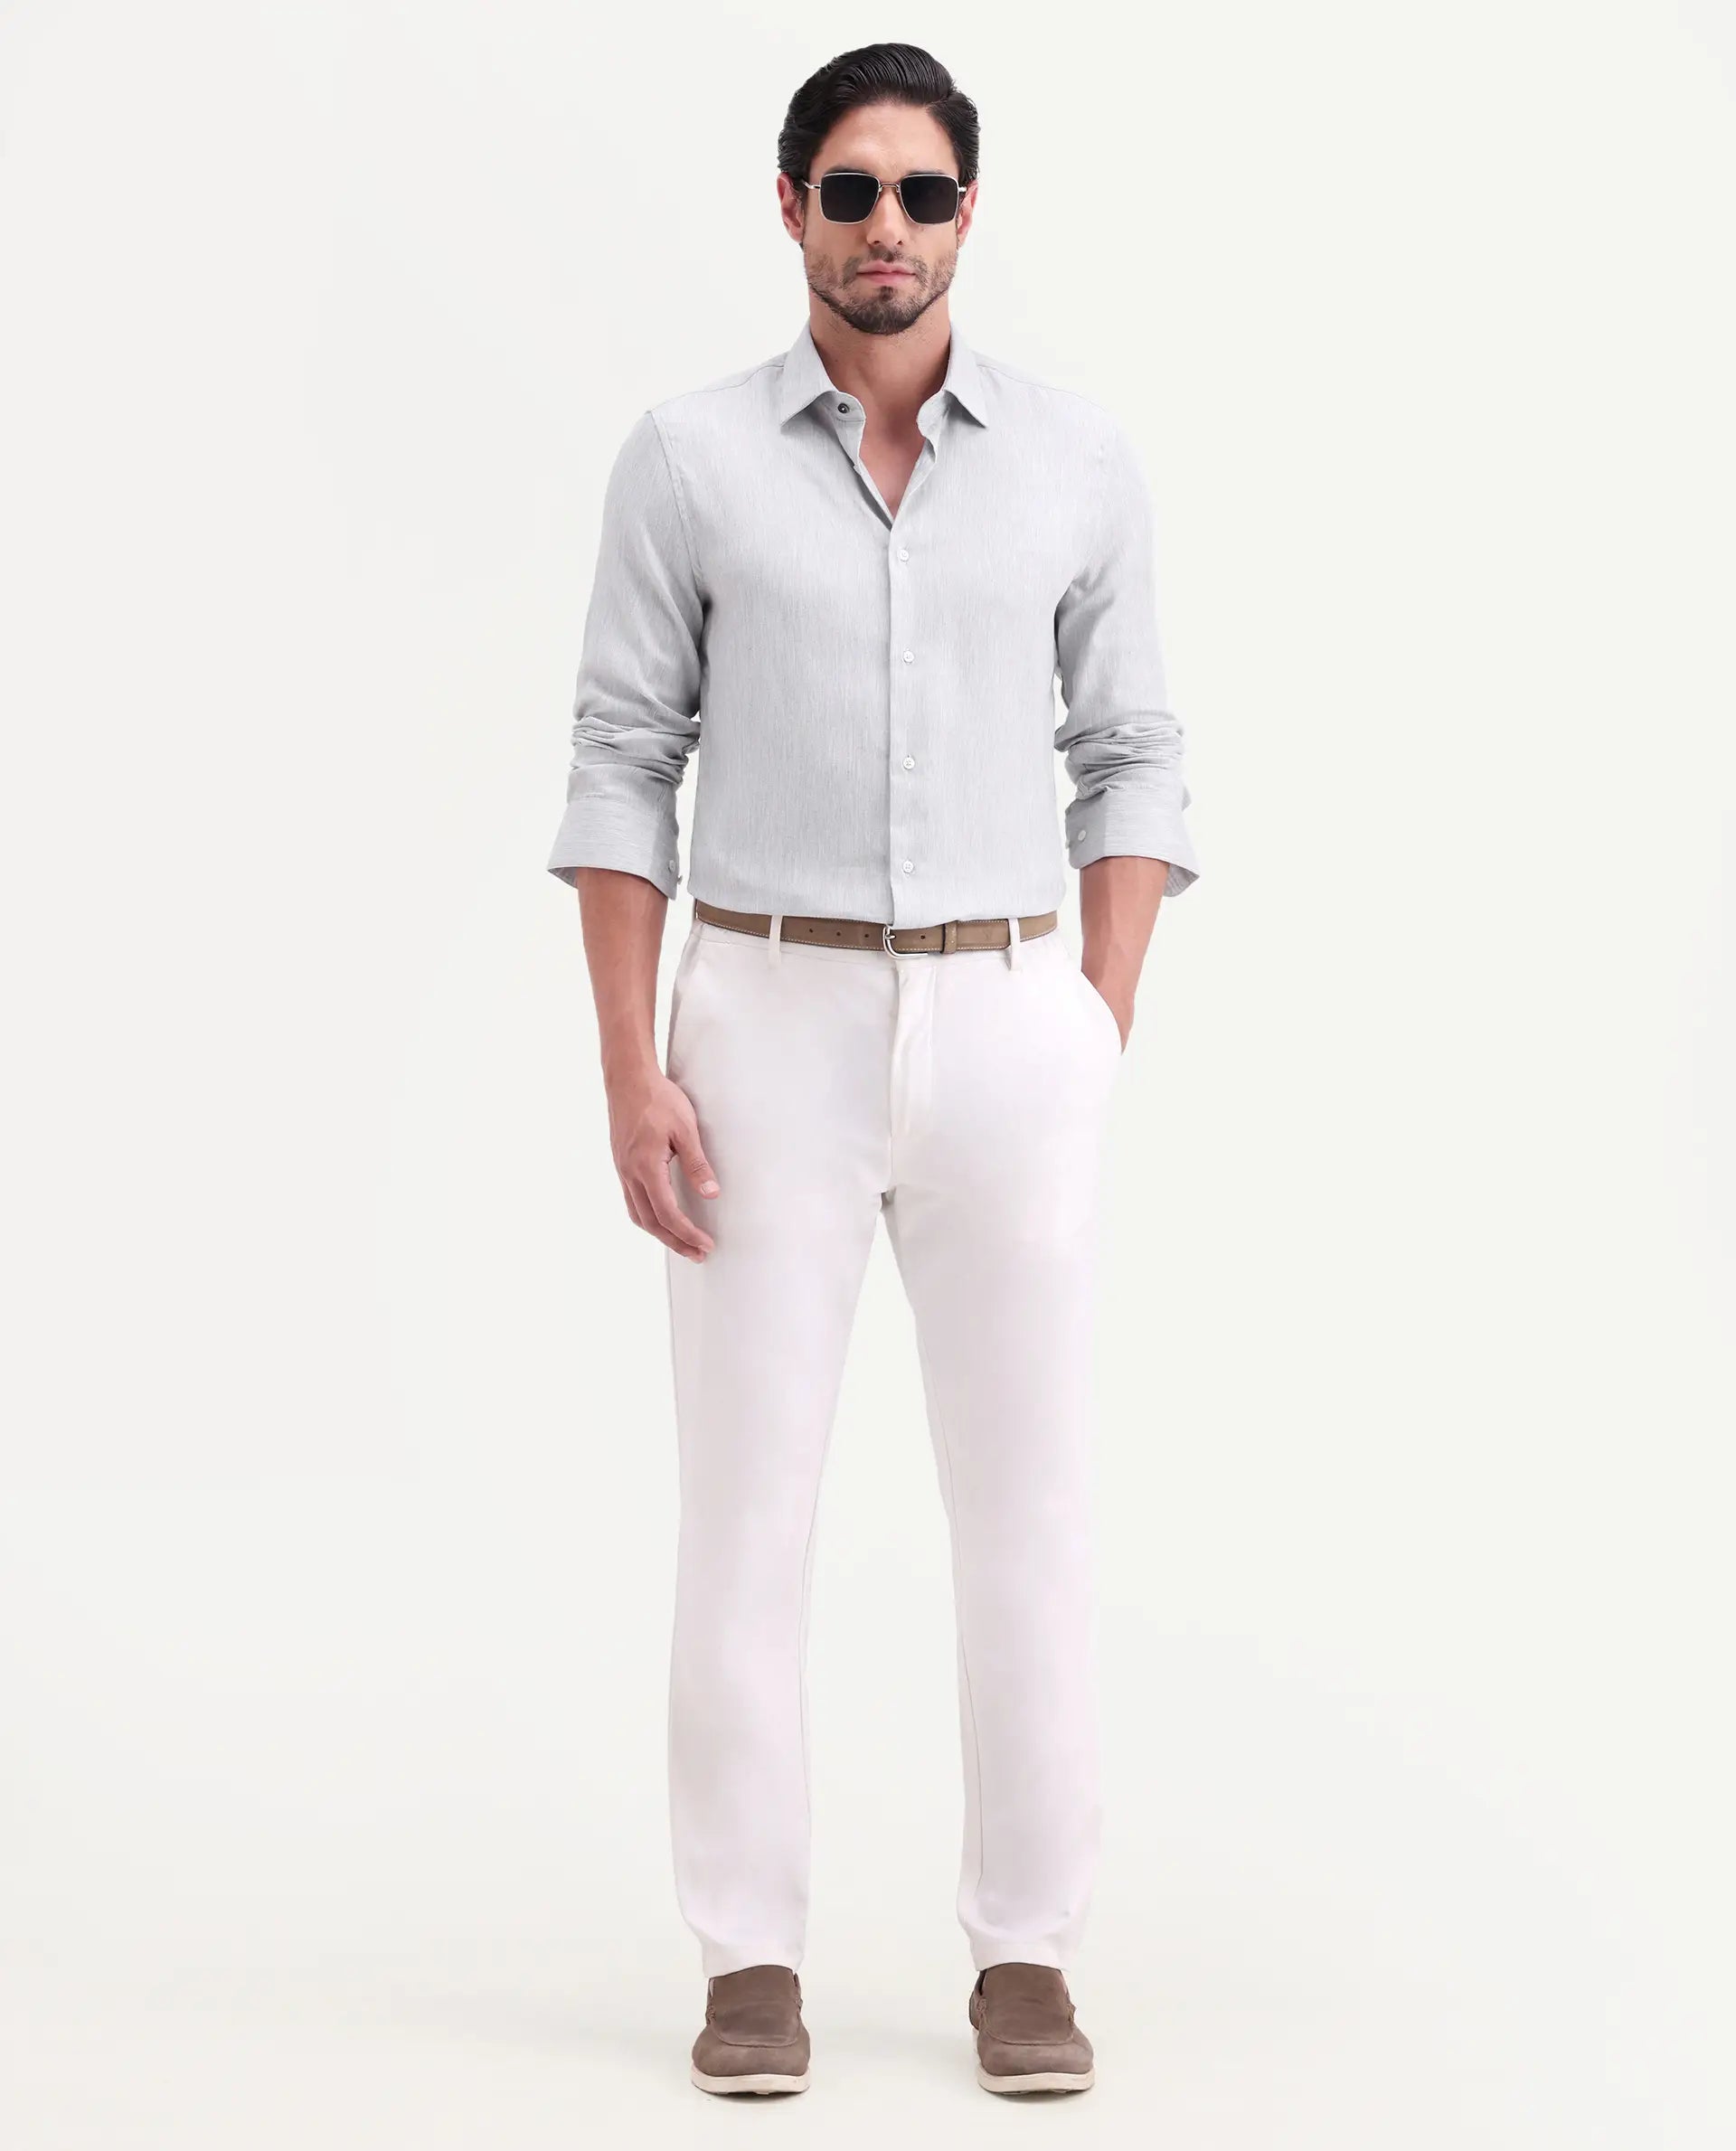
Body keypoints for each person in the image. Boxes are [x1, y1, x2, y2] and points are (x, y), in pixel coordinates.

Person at [545, 40, 1201, 2099]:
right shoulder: (688, 461)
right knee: (746, 1511)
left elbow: (1136, 751)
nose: (887, 228)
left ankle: (1029, 1952)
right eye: (851, 190)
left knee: (1029, 1508)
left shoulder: (1076, 462)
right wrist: (631, 1061)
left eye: (922, 192)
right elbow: (622, 760)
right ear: (792, 208)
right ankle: (749, 1951)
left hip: (1011, 1016)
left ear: (967, 214)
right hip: (766, 1019)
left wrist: (1093, 1019)